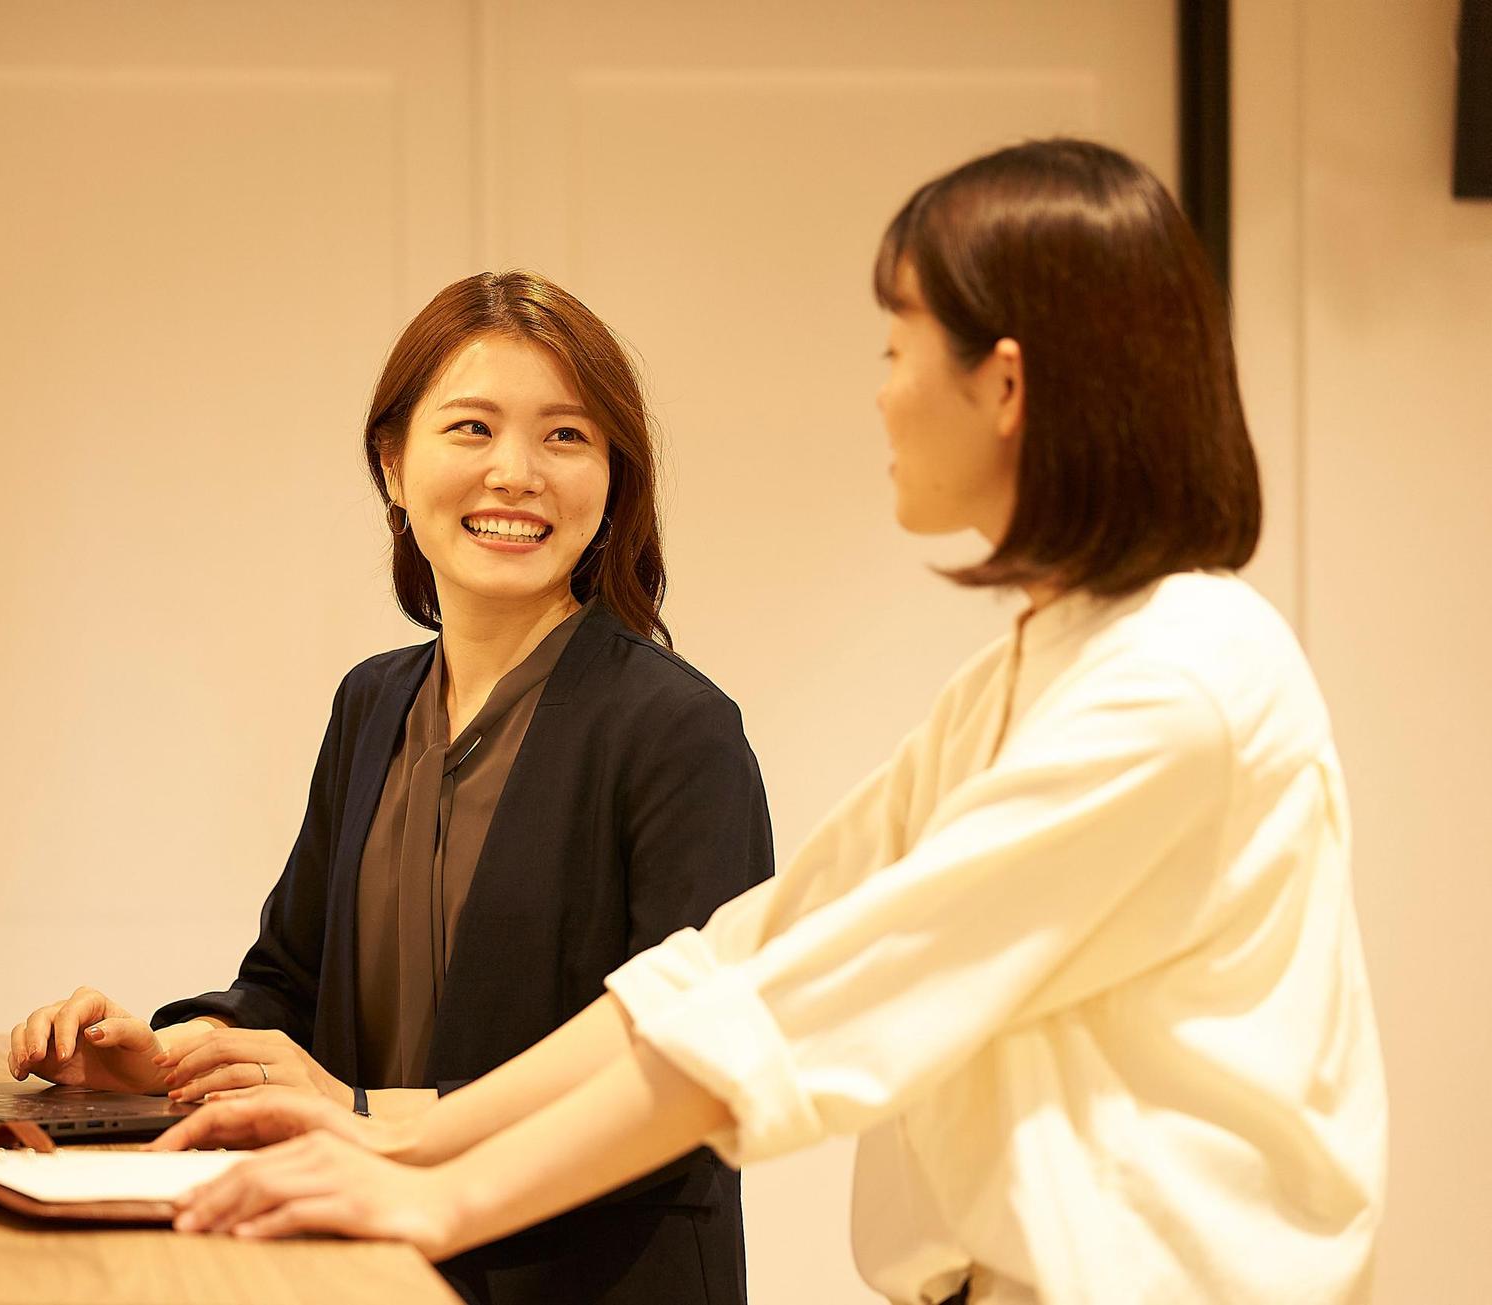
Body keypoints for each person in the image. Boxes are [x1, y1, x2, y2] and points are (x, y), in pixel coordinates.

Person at [154, 140, 1389, 1305]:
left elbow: (812, 1002)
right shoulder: (1030, 672)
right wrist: (399, 1140)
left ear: (1004, 384)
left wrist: (432, 1191)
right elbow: (737, 957)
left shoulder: (1174, 686)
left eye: (897, 347)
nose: (881, 394)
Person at [5, 271, 773, 1304]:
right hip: (367, 1264)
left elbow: (691, 1072)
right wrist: (163, 1058)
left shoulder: (677, 729)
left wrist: (367, 1114)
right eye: (471, 428)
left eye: (565, 436)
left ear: (612, 480)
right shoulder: (373, 702)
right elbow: (288, 985)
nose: (515, 473)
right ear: (394, 464)